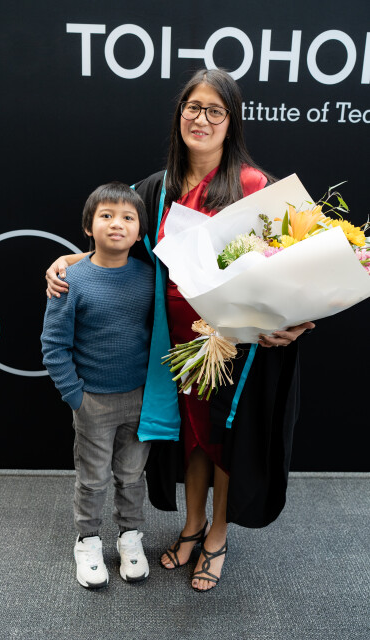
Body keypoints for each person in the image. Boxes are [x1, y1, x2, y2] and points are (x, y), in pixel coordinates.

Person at [45, 69, 315, 592]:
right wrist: (71, 259)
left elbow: (297, 267)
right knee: (192, 434)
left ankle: (217, 535)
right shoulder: (158, 188)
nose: (202, 119)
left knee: (226, 435)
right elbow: (119, 237)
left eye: (215, 110)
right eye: (193, 107)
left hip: (236, 340)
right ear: (179, 115)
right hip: (173, 340)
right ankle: (191, 526)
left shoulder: (255, 187)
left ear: (231, 121)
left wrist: (298, 321)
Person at [41, 182, 154, 589]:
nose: (116, 224)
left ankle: (130, 536)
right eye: (106, 215)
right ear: (89, 226)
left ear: (140, 232)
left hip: (140, 398)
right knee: (92, 478)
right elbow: (54, 345)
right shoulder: (69, 279)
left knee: (132, 474)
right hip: (93, 402)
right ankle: (87, 540)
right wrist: (77, 397)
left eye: (127, 217)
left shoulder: (150, 278)